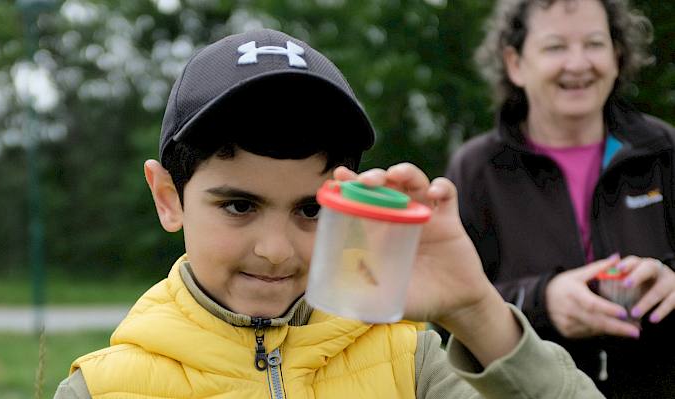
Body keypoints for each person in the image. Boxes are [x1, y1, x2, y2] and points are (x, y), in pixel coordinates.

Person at [54, 28, 601, 398]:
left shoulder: (411, 361)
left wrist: (477, 310)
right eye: (239, 206)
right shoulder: (103, 388)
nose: (277, 250)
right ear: (168, 196)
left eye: (311, 209)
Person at [446, 0, 675, 397]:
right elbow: (447, 304)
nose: (578, 63)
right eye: (555, 47)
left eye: (594, 43)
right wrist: (542, 301)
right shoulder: (477, 170)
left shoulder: (664, 149)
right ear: (515, 63)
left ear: (617, 55)